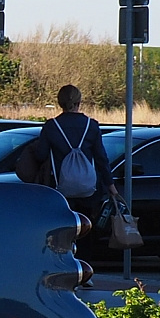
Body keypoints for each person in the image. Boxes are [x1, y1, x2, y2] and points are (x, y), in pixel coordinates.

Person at [35, 84, 113, 218]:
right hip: (89, 189)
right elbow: (101, 158)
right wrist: (111, 186)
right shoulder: (91, 125)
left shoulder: (52, 126)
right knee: (87, 228)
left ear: (60, 102)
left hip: (60, 188)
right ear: (79, 102)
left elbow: (41, 155)